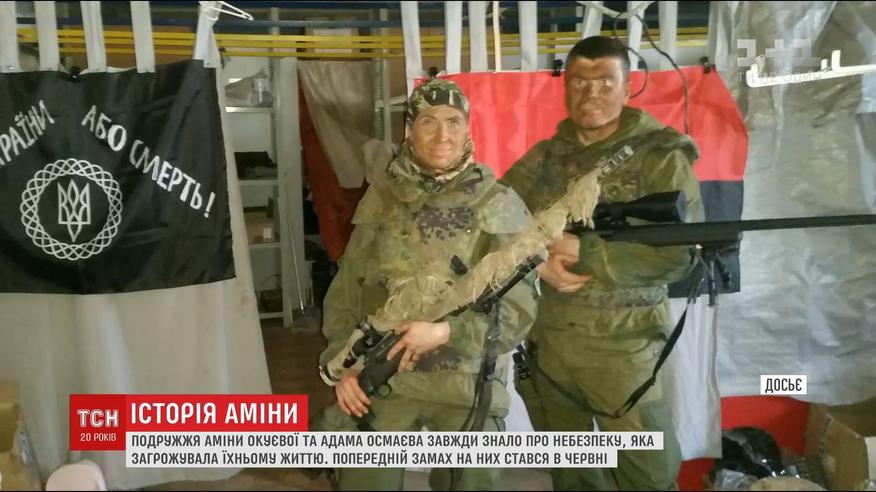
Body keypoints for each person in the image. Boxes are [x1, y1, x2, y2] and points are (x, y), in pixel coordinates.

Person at [500, 36, 705, 491]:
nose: (591, 93)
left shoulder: (660, 157)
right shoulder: (544, 159)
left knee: (649, 476)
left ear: (627, 89)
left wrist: (586, 252)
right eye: (579, 82)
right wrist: (537, 262)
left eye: (605, 82)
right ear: (566, 87)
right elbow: (494, 220)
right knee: (572, 473)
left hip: (622, 347)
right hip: (550, 342)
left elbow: (679, 257)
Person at [316, 77, 539, 491]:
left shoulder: (496, 203)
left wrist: (446, 332)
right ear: (409, 129)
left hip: (465, 378)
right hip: (386, 378)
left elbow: (520, 309)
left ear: (467, 128)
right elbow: (346, 291)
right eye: (428, 122)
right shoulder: (382, 199)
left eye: (454, 122)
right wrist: (343, 366)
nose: (443, 136)